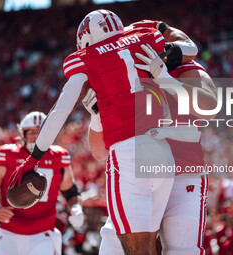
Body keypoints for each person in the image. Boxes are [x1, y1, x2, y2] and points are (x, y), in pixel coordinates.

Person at [9, 10, 198, 254]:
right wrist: (166, 36)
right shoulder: (143, 36)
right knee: (150, 245)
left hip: (128, 152)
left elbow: (60, 111)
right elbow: (190, 48)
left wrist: (34, 157)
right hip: (163, 152)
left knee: (135, 248)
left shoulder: (86, 58)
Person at [85, 20, 217, 255]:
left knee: (182, 250)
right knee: (114, 248)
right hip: (138, 174)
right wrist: (96, 118)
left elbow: (210, 107)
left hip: (183, 172)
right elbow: (100, 152)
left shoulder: (183, 66)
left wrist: (165, 77)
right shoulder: (119, 78)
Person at [0, 111, 84, 255]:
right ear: (23, 134)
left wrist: (76, 208)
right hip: (9, 234)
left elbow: (71, 192)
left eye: (42, 132)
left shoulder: (59, 157)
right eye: (32, 132)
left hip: (43, 235)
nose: (37, 136)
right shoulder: (8, 156)